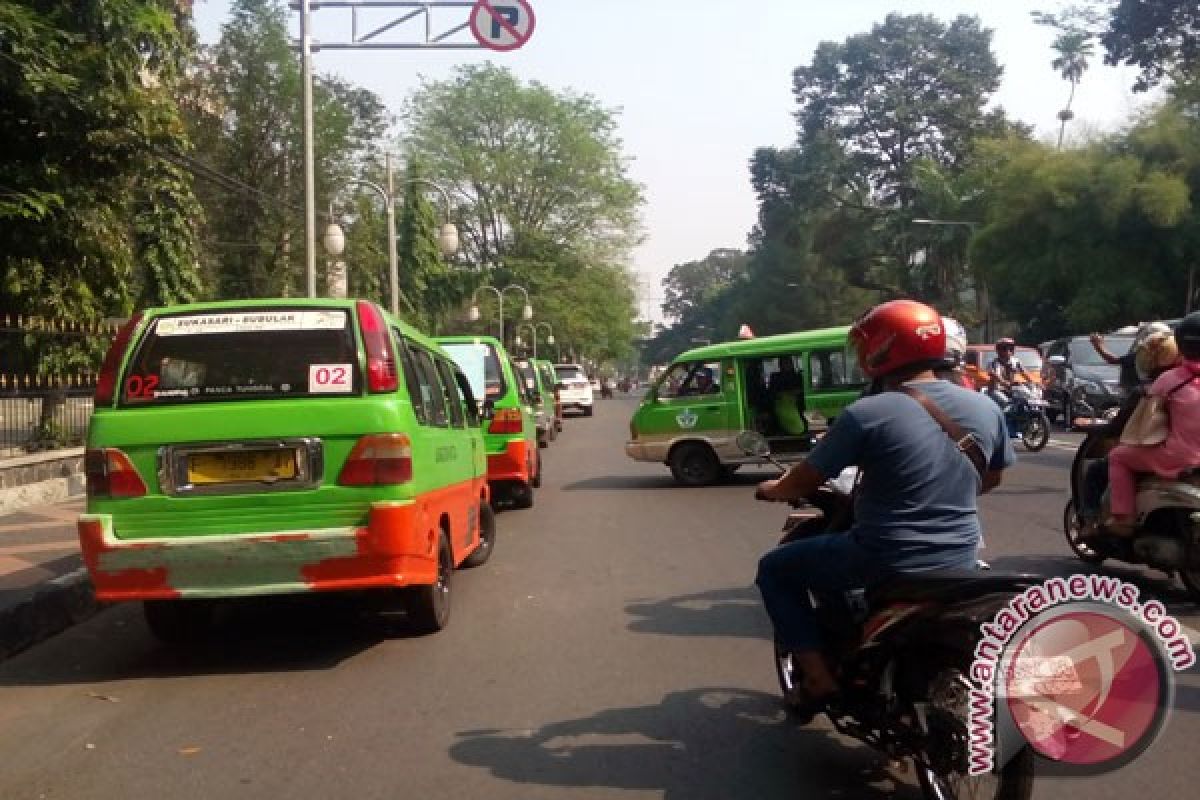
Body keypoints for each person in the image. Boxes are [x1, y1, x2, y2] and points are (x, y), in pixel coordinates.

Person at [754, 300, 1013, 714]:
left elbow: (804, 480)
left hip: (883, 554)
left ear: (881, 348)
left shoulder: (868, 412)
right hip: (961, 554)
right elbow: (993, 476)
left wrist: (773, 489)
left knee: (775, 569)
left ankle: (819, 681)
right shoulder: (985, 406)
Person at [1104, 313, 1200, 533]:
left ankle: (1123, 518)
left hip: (1182, 456)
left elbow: (1144, 422)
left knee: (1118, 456)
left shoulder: (1167, 381)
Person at [986, 338, 1027, 408]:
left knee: (1025, 400)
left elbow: (1024, 373)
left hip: (1011, 390)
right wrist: (1004, 382)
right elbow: (995, 376)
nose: (1008, 351)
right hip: (996, 390)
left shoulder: (1016, 362)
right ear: (998, 350)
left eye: (1011, 348)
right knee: (1006, 403)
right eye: (1004, 348)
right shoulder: (993, 363)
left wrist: (1033, 382)